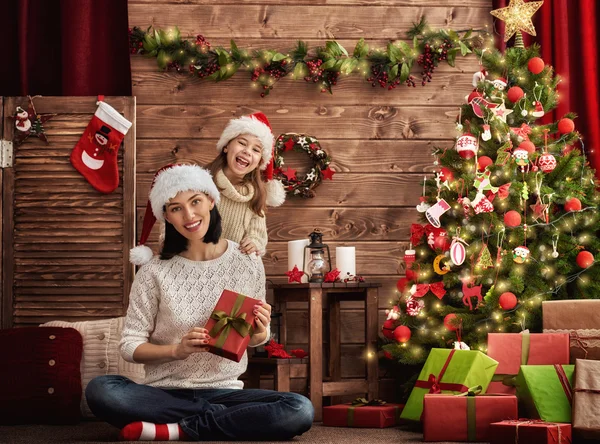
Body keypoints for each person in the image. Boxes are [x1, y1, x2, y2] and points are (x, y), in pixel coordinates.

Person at [86, 164, 313, 441]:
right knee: (102, 389)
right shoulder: (154, 271)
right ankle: (217, 419)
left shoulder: (248, 263)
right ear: (166, 217)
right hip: (163, 394)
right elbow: (130, 345)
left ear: (211, 200)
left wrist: (260, 331)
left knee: (299, 408)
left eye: (195, 201)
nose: (189, 215)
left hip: (226, 391)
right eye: (176, 208)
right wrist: (176, 351)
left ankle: (178, 429)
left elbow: (254, 340)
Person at [206, 112, 285, 256]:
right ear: (226, 146)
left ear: (259, 162)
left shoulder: (254, 196)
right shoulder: (201, 183)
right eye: (242, 143)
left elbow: (258, 234)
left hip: (231, 268)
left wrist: (254, 243)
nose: (247, 151)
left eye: (256, 150)